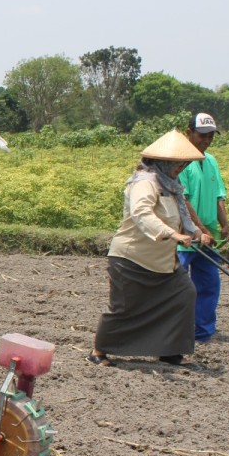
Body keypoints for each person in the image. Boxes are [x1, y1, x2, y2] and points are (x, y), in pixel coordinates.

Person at [89, 130, 205, 367]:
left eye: (184, 164)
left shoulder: (172, 185)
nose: (181, 168)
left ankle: (171, 350)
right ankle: (99, 350)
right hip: (132, 258)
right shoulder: (144, 182)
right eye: (178, 164)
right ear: (163, 162)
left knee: (184, 294)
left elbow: (181, 214)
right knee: (124, 308)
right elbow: (142, 214)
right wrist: (172, 234)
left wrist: (196, 232)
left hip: (164, 262)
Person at [177, 113, 229, 343]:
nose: (206, 140)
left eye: (210, 136)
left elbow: (219, 194)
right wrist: (198, 229)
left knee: (209, 284)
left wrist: (224, 224)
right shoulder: (180, 162)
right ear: (189, 133)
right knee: (177, 284)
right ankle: (172, 329)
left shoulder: (211, 160)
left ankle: (203, 330)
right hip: (185, 236)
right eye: (202, 135)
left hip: (209, 234)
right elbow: (183, 199)